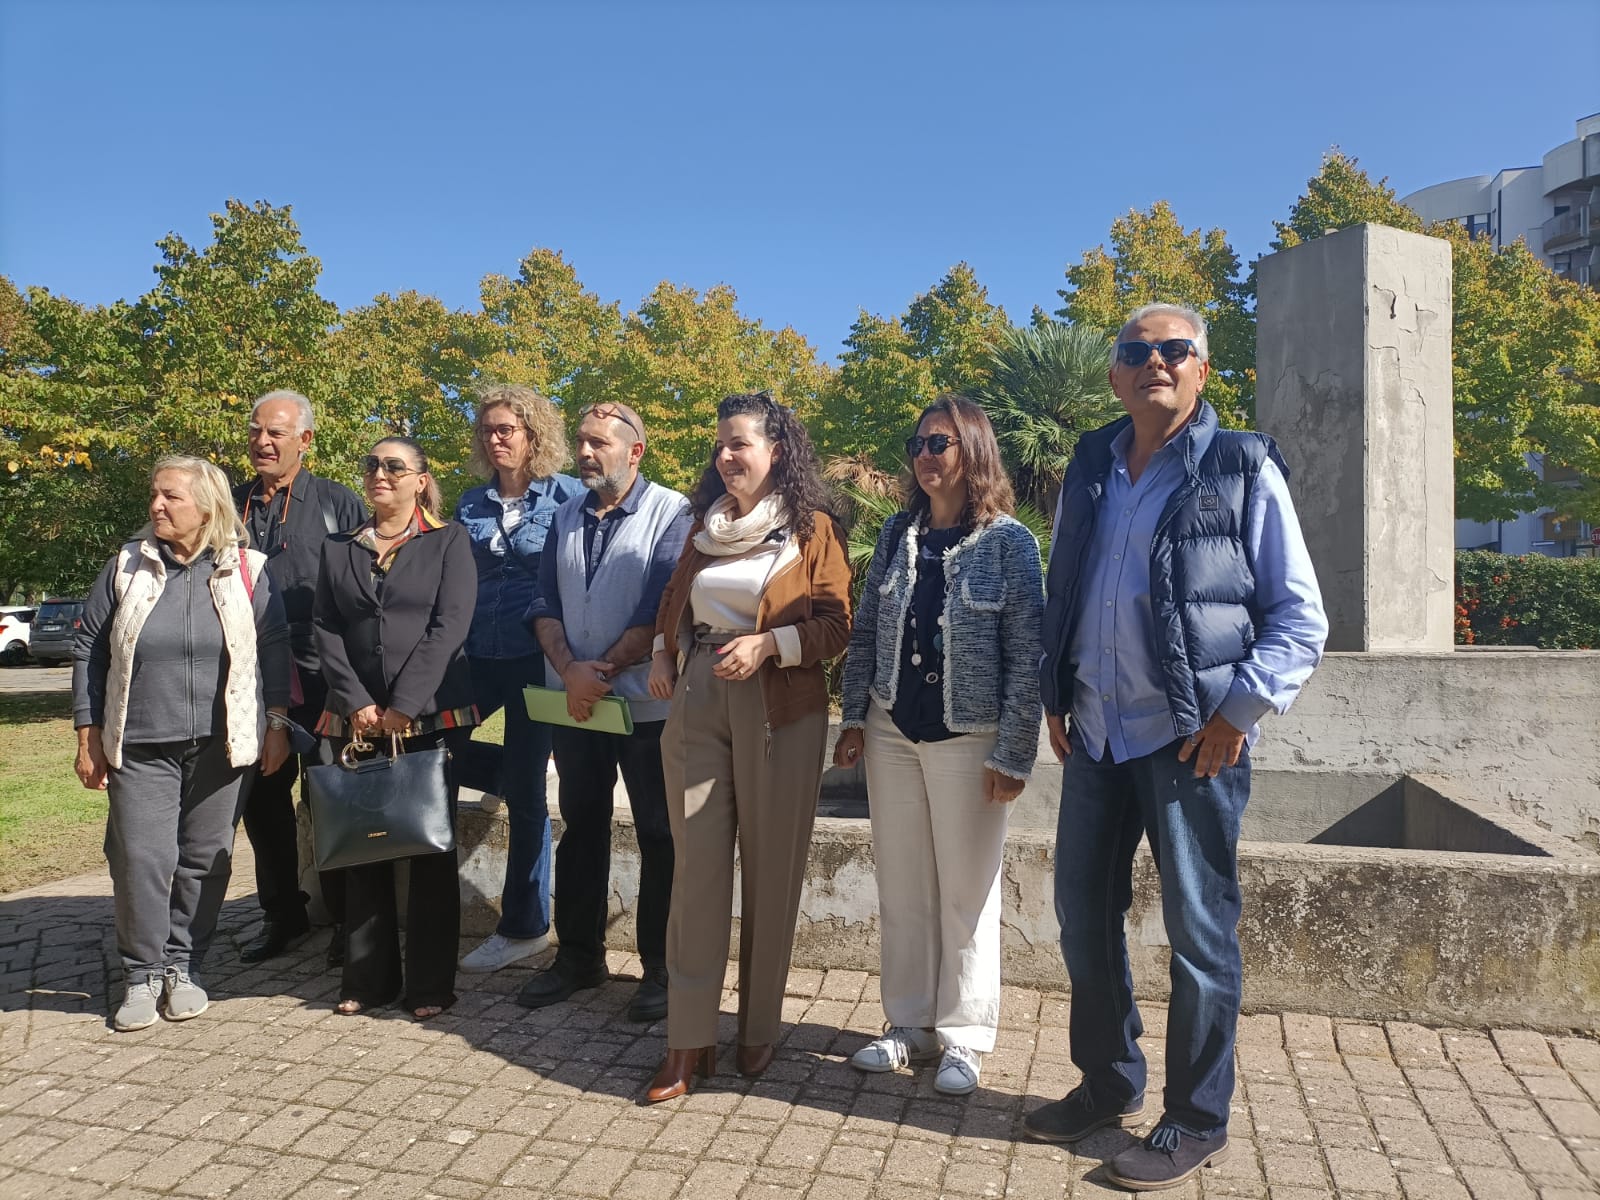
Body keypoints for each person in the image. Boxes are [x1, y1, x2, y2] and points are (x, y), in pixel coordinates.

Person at [1022, 304, 1327, 1191]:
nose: (1154, 361)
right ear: (1116, 376)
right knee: (1082, 915)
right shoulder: (1091, 464)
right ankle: (1107, 1082)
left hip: (1194, 742)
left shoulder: (1242, 466)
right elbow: (1069, 584)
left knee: (1198, 935)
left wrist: (1239, 713)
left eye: (1173, 350)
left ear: (1201, 370)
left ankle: (1196, 1118)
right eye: (1135, 352)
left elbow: (1298, 616)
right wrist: (1056, 691)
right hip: (1097, 731)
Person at [643, 392, 852, 1103]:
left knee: (772, 872)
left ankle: (757, 1026)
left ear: (777, 452)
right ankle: (686, 1039)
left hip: (780, 707)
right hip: (699, 700)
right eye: (721, 445)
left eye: (740, 444)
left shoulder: (812, 530)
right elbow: (674, 603)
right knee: (695, 871)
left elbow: (835, 624)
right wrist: (663, 653)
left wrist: (771, 644)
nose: (726, 456)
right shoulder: (706, 528)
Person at [834, 395, 1041, 1097]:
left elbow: (1027, 655)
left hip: (968, 739)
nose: (925, 456)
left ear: (973, 450)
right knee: (903, 885)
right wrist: (855, 717)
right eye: (918, 443)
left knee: (966, 893)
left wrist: (1013, 753)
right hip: (894, 730)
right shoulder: (898, 534)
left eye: (940, 443)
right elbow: (866, 634)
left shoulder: (1010, 544)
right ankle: (908, 1026)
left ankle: (964, 1037)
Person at [72, 456, 292, 1032]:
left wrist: (276, 724)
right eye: (155, 495)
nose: (157, 506)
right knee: (142, 858)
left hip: (222, 744)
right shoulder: (127, 564)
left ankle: (182, 965)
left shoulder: (246, 567)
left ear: (208, 507)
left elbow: (274, 647)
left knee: (205, 858)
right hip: (140, 741)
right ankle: (141, 974)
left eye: (171, 497)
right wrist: (86, 731)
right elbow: (90, 649)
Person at [519, 402, 691, 1022]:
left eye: (599, 444)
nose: (585, 454)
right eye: (582, 444)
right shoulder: (563, 515)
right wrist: (571, 671)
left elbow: (660, 608)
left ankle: (661, 969)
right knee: (582, 825)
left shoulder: (674, 512)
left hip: (646, 705)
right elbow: (541, 601)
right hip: (576, 703)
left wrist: (604, 671)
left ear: (635, 451)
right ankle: (579, 958)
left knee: (659, 834)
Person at [312, 436, 477, 1020]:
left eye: (393, 466)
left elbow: (450, 625)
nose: (379, 474)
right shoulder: (339, 549)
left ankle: (431, 984)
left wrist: (404, 704)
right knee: (364, 849)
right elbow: (326, 628)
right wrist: (356, 701)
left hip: (430, 715)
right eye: (372, 465)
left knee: (429, 847)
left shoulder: (449, 541)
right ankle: (369, 977)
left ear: (419, 480)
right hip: (355, 720)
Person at [232, 389, 367, 968]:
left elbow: (367, 592)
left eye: (277, 433)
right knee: (262, 800)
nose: (264, 442)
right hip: (251, 678)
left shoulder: (339, 504)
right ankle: (282, 912)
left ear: (305, 441)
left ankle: (344, 921)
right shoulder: (227, 503)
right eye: (257, 432)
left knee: (332, 797)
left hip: (322, 678)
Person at [454, 385, 583, 974]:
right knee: (449, 758)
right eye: (488, 429)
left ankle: (525, 925)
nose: (496, 438)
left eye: (508, 428)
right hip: (476, 655)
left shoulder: (568, 498)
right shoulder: (469, 503)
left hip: (537, 659)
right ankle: (517, 765)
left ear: (534, 435)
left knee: (528, 790)